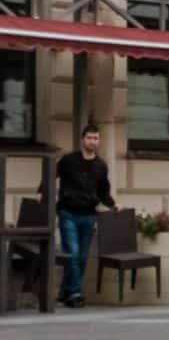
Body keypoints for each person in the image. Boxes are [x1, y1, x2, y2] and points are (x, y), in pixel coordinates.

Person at [54, 123, 115, 308]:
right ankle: (74, 293)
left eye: (95, 138)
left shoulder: (101, 166)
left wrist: (112, 204)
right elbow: (52, 173)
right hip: (68, 213)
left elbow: (104, 191)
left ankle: (65, 292)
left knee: (80, 257)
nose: (92, 141)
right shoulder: (69, 160)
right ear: (82, 140)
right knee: (72, 254)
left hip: (89, 215)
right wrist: (42, 192)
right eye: (89, 138)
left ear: (99, 141)